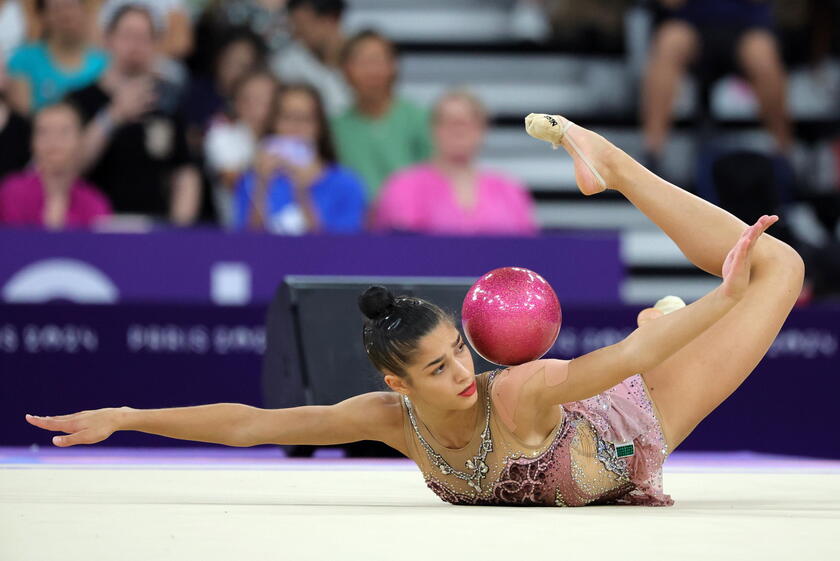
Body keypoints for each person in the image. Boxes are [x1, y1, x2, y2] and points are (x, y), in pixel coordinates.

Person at [24, 112, 805, 508]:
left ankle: (614, 163)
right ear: (398, 383)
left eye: (460, 351)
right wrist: (127, 415)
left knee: (779, 266)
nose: (464, 371)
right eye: (438, 366)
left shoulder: (515, 389)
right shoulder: (392, 420)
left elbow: (622, 368)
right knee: (675, 321)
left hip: (634, 418)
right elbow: (251, 422)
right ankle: (667, 318)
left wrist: (725, 296)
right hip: (618, 394)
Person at [66, 3, 201, 225]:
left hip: (152, 229)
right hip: (91, 227)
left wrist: (180, 229)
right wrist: (113, 116)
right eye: (127, 35)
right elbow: (71, 168)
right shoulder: (81, 100)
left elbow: (185, 172)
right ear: (108, 40)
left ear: (155, 45)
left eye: (144, 37)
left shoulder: (168, 101)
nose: (135, 46)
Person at [641, 0, 793, 171]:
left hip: (746, 27)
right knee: (669, 42)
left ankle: (784, 155)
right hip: (691, 25)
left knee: (762, 57)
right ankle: (652, 155)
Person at [372, 89, 538, 236]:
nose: (458, 129)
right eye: (448, 121)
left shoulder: (509, 190)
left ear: (483, 129)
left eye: (467, 122)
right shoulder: (402, 186)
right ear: (432, 129)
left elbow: (528, 249)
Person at [232, 83, 365, 234]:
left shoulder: (346, 184)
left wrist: (301, 190)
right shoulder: (251, 180)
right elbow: (245, 244)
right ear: (273, 123)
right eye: (287, 117)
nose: (295, 127)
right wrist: (261, 186)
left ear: (320, 126)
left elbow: (340, 249)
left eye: (305, 119)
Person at [331, 29, 432, 201]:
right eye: (362, 62)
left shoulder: (420, 119)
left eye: (378, 61)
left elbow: (434, 180)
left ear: (393, 67)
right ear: (345, 70)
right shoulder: (333, 128)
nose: (371, 71)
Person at [0, 101, 111, 228]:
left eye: (64, 132)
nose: (53, 141)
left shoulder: (94, 203)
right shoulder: (11, 193)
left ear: (80, 140)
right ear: (32, 142)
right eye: (44, 132)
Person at [6, 0, 108, 114]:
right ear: (43, 16)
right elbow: (21, 117)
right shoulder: (23, 60)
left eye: (71, 7)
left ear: (84, 11)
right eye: (57, 9)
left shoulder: (105, 63)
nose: (66, 14)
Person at [204, 69, 277, 226]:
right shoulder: (222, 136)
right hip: (236, 230)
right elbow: (234, 183)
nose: (258, 105)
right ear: (237, 102)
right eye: (250, 98)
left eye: (267, 98)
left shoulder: (286, 139)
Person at [271, 0, 351, 116]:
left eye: (303, 25)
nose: (297, 33)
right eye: (294, 26)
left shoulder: (366, 58)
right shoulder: (286, 64)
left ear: (330, 20)